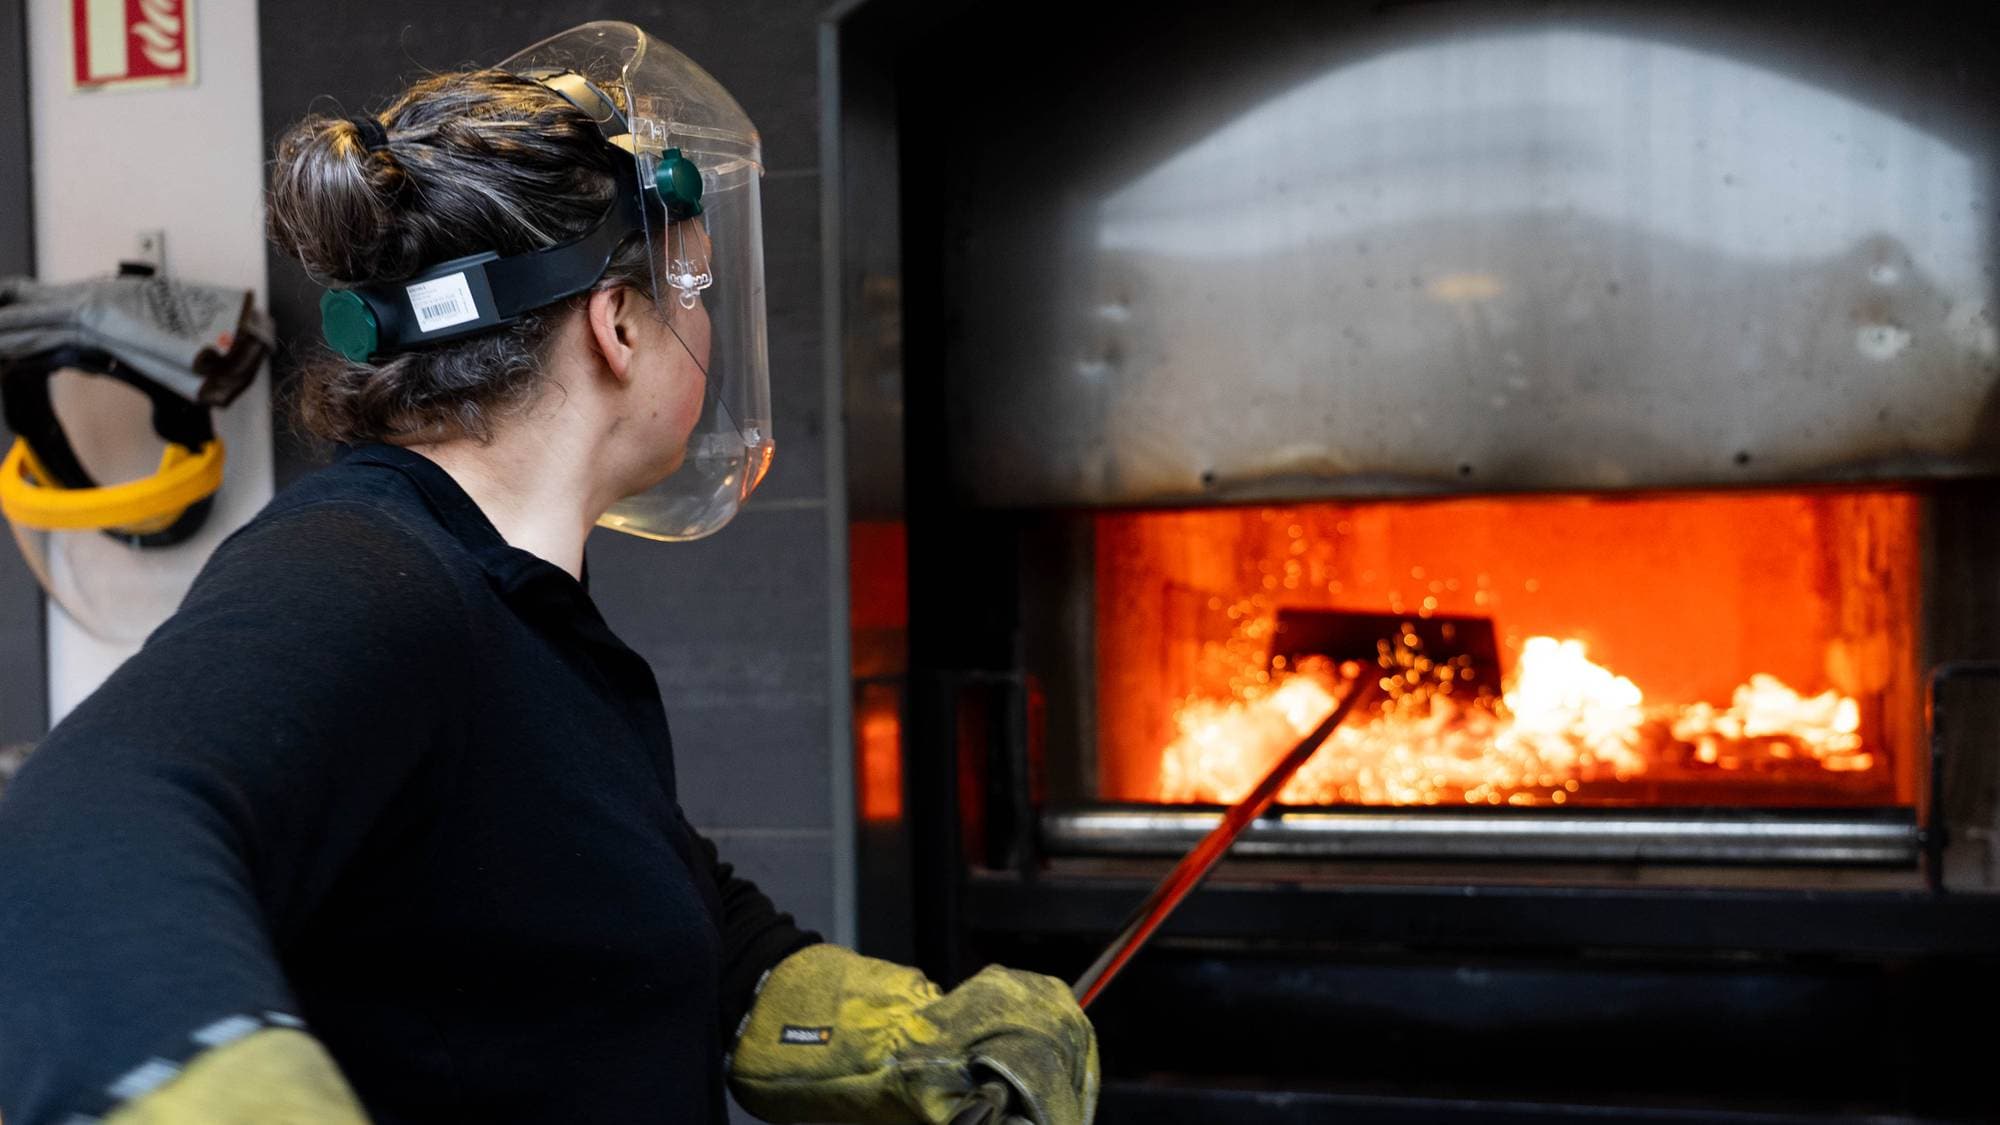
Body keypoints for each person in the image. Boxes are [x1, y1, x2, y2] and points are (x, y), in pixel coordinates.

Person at [0, 21, 1096, 1125]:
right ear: (618, 323)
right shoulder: (360, 573)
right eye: (689, 285)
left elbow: (588, 901)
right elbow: (69, 857)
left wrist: (881, 1031)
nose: (703, 319)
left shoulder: (514, 609)